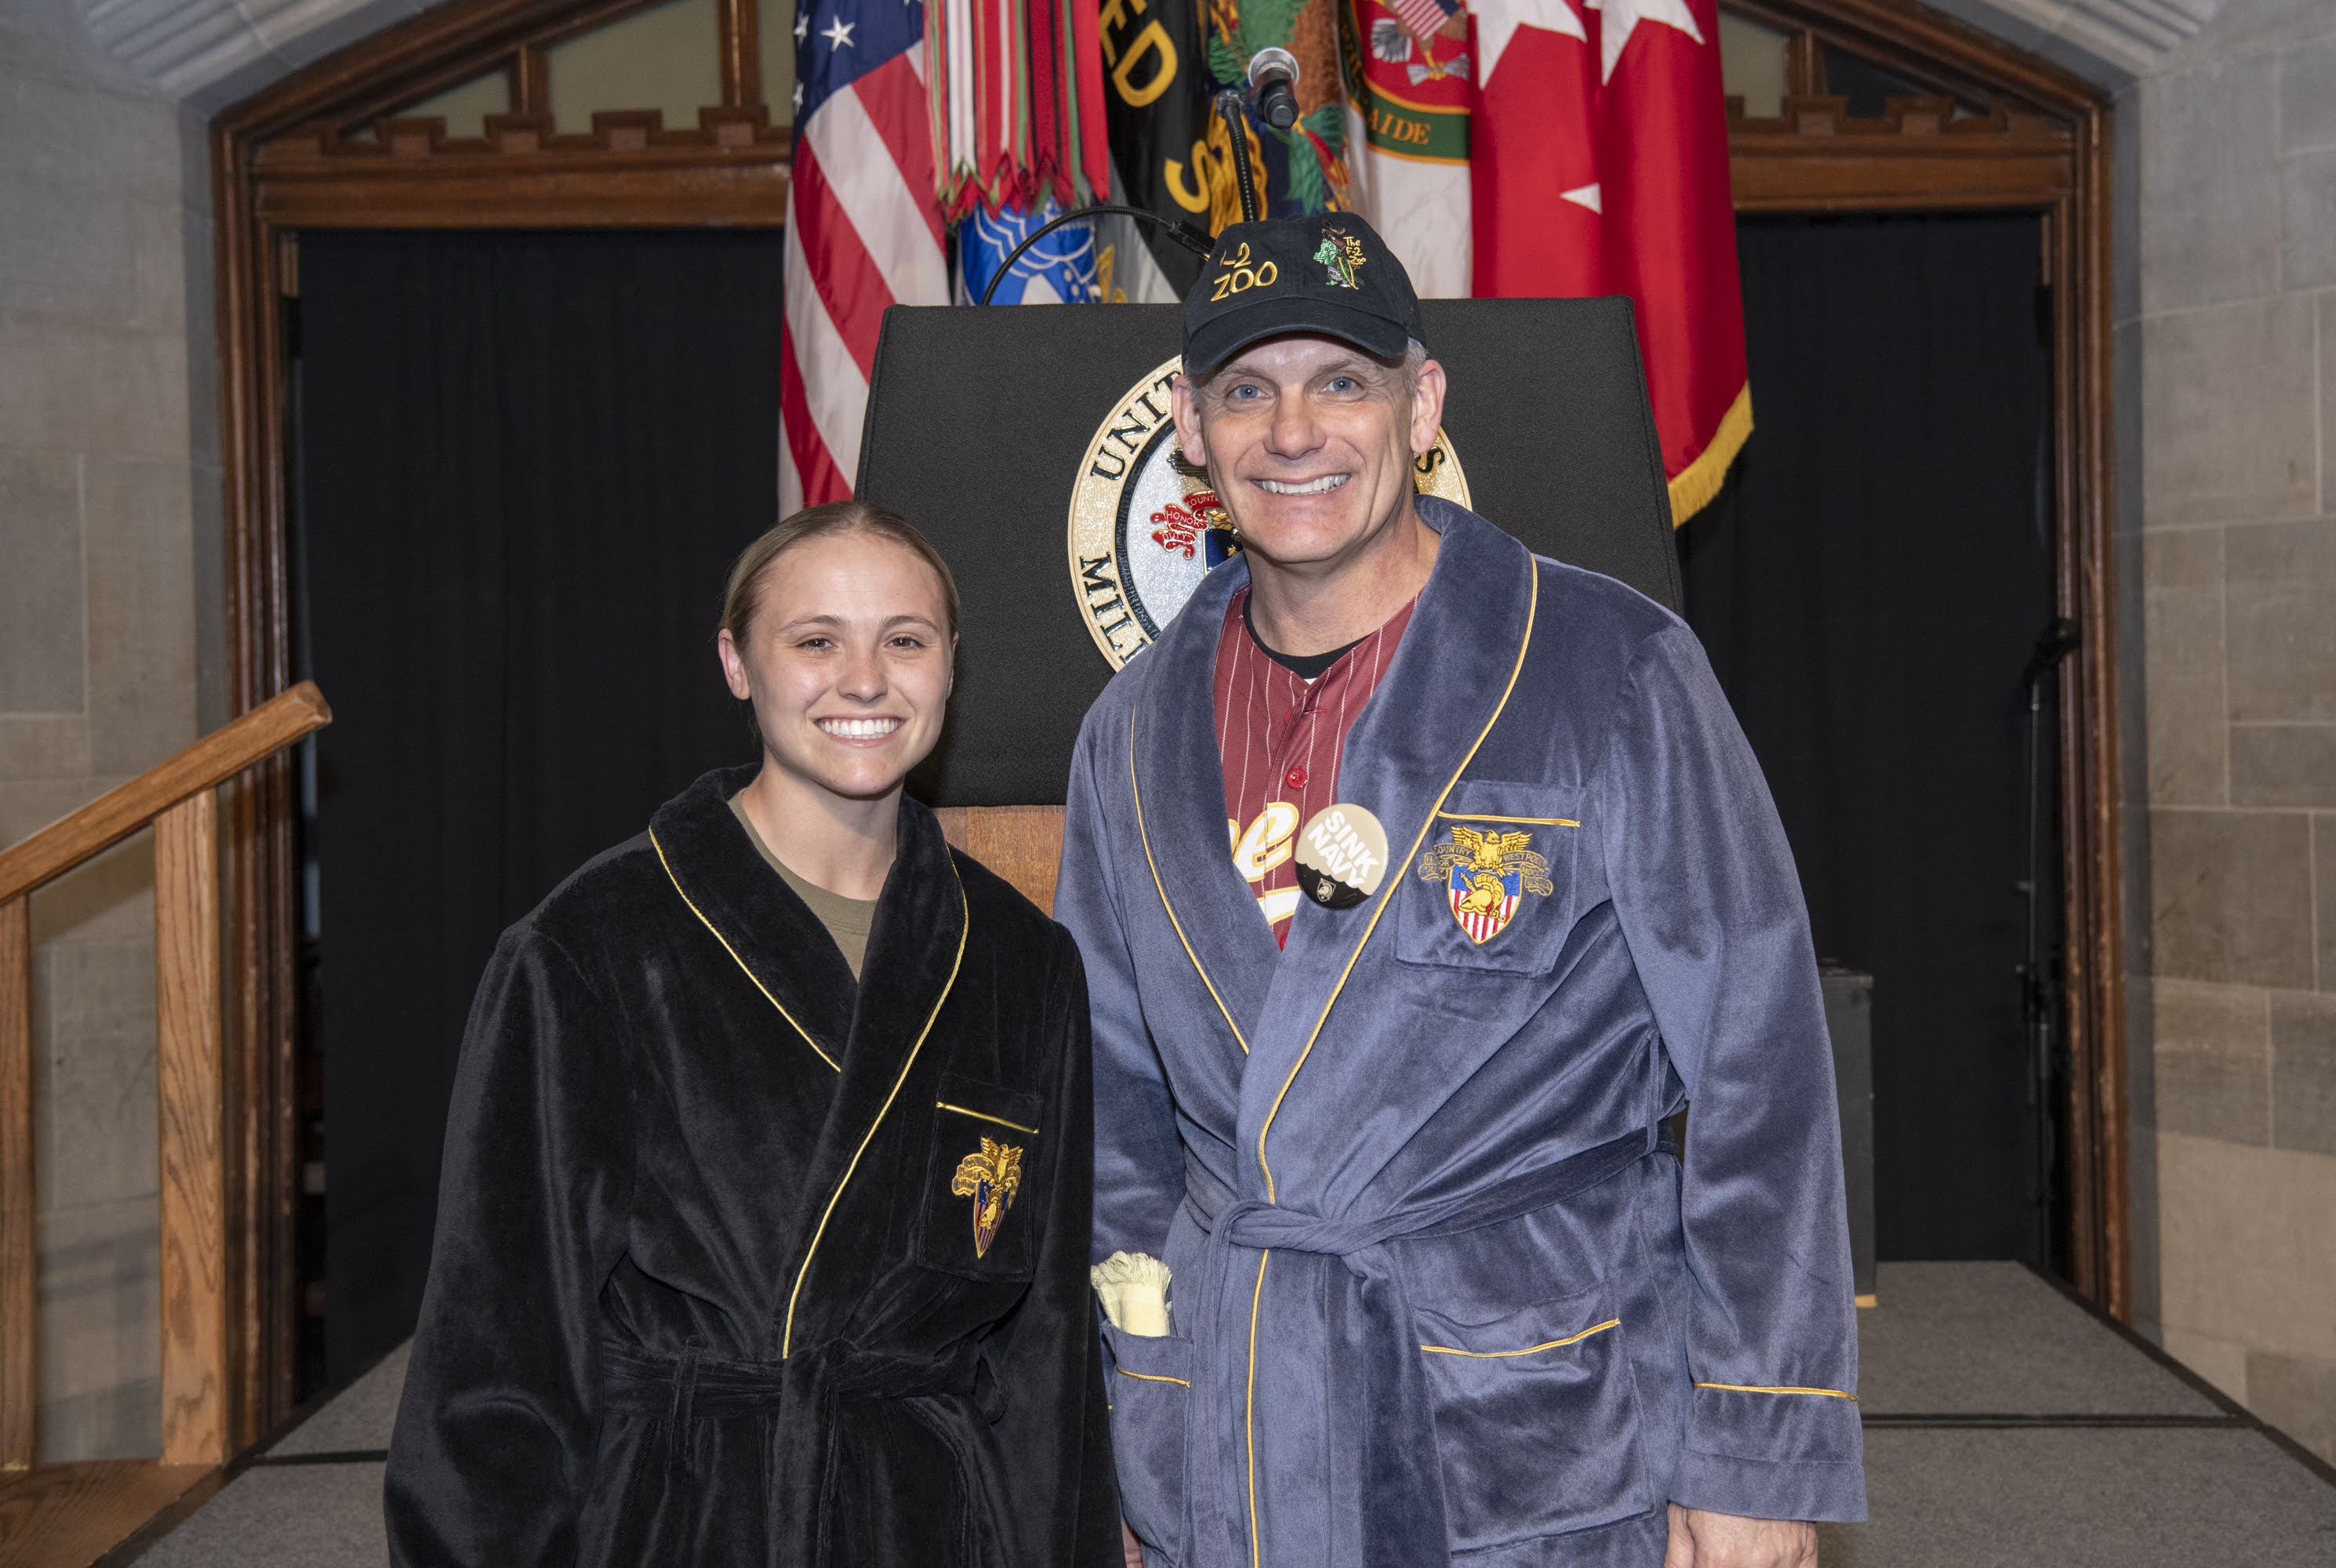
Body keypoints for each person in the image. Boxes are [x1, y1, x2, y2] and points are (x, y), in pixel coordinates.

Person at [1057, 213, 1865, 1568]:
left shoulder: (1611, 671)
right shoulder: (1127, 737)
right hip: (1235, 1432)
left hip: (1534, 1431)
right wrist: (1136, 1421)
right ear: (1189, 428)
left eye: (1344, 383)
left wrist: (1754, 1449)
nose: (1293, 431)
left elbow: (1759, 1070)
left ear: (1422, 406)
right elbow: (1115, 1124)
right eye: (1248, 390)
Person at [387, 501, 1121, 1566]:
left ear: (950, 665)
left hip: (935, 1522)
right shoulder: (590, 948)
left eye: (904, 640)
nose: (864, 679)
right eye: (815, 640)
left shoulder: (1020, 962)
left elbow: (1043, 1354)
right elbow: (495, 1357)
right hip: (683, 1515)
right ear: (738, 664)